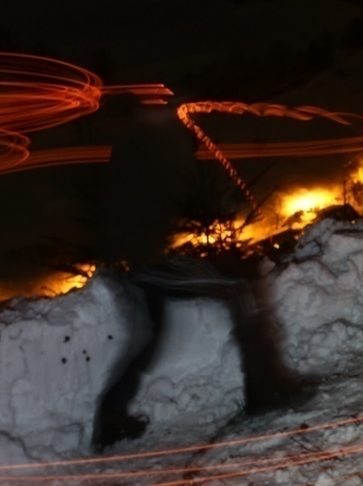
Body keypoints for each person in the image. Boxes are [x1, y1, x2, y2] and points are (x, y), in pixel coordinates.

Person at [90, 98, 307, 450]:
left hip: (134, 262)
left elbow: (153, 200)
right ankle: (265, 391)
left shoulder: (133, 143)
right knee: (242, 285)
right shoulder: (159, 143)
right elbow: (182, 192)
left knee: (149, 336)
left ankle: (110, 419)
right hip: (149, 264)